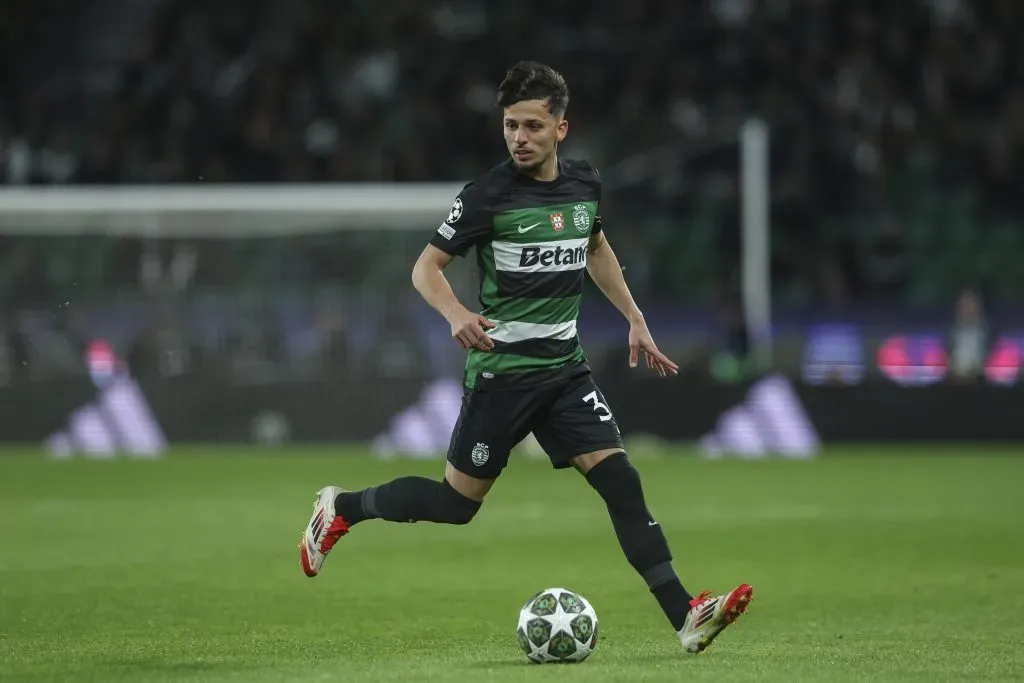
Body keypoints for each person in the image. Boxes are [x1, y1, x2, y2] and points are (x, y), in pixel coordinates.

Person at [298, 61, 752, 653]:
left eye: (533, 126)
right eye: (511, 125)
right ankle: (342, 508)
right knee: (455, 505)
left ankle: (687, 615)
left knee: (621, 482)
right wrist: (457, 314)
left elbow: (595, 249)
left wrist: (635, 319)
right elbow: (425, 268)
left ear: (561, 128)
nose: (519, 137)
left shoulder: (585, 184)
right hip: (502, 376)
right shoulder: (487, 196)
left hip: (564, 372)